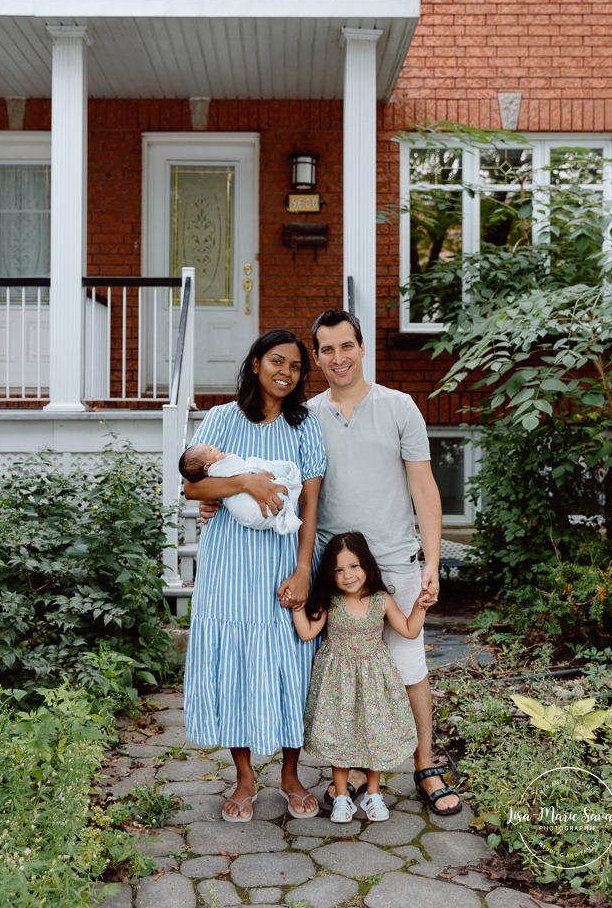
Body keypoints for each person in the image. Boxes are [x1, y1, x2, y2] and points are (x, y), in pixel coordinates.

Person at [307, 309, 461, 816]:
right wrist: (214, 498)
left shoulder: (399, 407)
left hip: (394, 562)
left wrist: (431, 562)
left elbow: (424, 486)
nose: (338, 358)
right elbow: (288, 485)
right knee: (343, 674)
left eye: (345, 346)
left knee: (409, 667)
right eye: (327, 350)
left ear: (361, 347)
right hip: (335, 573)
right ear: (317, 357)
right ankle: (346, 773)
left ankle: (425, 764)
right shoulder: (306, 415)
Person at [181, 328, 326, 822]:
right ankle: (244, 779)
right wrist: (243, 482)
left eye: (295, 367)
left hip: (284, 557)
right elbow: (191, 488)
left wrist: (305, 567)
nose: (285, 373)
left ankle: (290, 774)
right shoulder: (220, 418)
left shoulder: (304, 425)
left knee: (291, 658)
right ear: (256, 363)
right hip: (229, 563)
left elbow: (310, 501)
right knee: (236, 663)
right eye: (277, 362)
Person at [293, 531, 428, 823]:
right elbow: (307, 633)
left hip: (374, 682)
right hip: (337, 684)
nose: (348, 575)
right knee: (340, 737)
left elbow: (409, 631)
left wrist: (420, 606)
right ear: (331, 574)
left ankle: (373, 794)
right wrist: (295, 607)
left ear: (366, 564)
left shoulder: (381, 599)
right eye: (339, 570)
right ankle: (341, 797)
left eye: (354, 566)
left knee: (374, 737)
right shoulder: (330, 600)